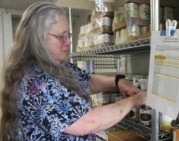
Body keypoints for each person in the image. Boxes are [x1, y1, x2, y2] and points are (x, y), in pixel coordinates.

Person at [0, 2, 146, 141]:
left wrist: (118, 81)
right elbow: (88, 122)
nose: (69, 42)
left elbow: (87, 82)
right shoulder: (36, 81)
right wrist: (134, 101)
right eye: (61, 36)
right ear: (38, 39)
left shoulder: (56, 65)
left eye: (68, 35)